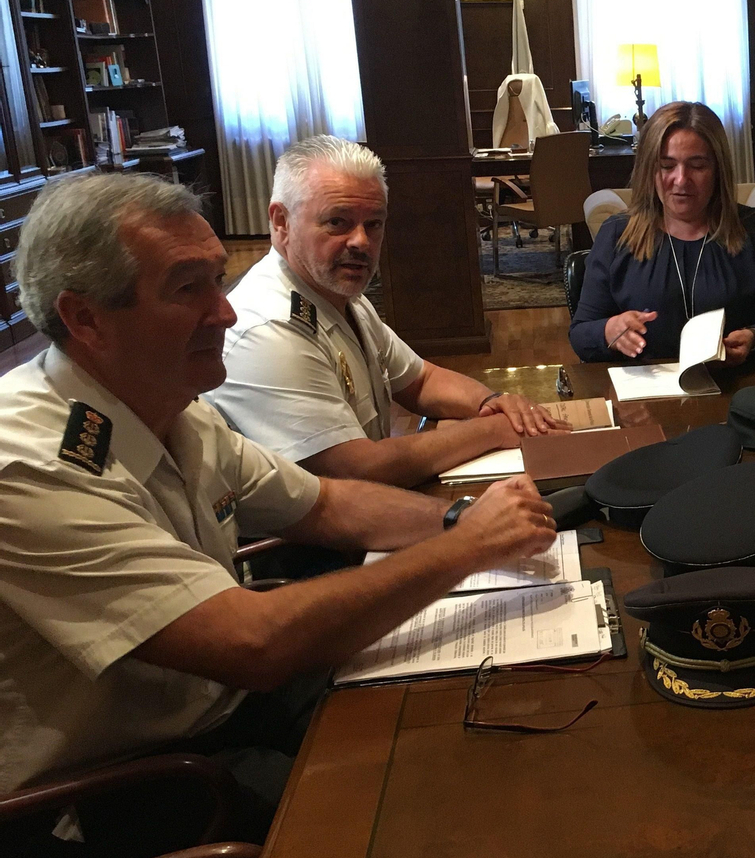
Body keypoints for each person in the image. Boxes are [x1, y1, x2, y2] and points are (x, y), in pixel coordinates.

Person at [0, 173, 557, 822]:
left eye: (217, 277)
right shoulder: (30, 462)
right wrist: (467, 546)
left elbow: (324, 505)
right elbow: (251, 645)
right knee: (415, 814)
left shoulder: (171, 404)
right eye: (189, 288)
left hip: (219, 711)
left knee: (461, 731)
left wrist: (466, 519)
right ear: (86, 318)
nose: (226, 311)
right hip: (114, 792)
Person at [208, 135, 568, 489]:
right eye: (338, 222)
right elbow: (359, 469)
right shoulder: (269, 329)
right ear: (281, 221)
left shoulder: (338, 293)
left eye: (374, 224)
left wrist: (493, 403)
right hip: (305, 543)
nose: (361, 242)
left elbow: (420, 380)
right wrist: (493, 428)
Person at [568, 101, 755, 364]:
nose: (681, 179)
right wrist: (609, 330)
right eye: (666, 165)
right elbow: (581, 334)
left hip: (739, 389)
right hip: (644, 392)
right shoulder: (617, 234)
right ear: (649, 170)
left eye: (697, 166)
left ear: (718, 170)